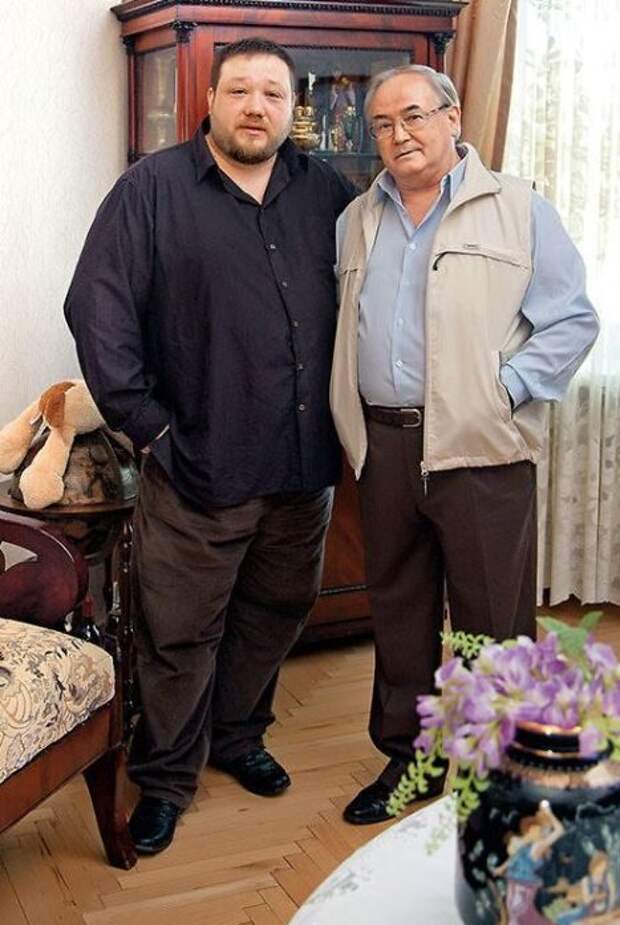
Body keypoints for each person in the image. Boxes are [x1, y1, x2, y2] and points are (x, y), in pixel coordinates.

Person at [65, 37, 355, 854]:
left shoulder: (328, 192)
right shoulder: (151, 190)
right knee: (179, 632)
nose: (256, 107)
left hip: (302, 464)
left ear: (292, 107)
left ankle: (237, 735)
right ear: (211, 101)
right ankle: (164, 778)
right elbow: (97, 310)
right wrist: (152, 428)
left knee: (274, 611)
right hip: (199, 463)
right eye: (240, 91)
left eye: (272, 93)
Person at [330, 64, 600, 825]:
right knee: (399, 615)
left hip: (482, 450)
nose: (398, 134)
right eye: (382, 124)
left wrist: (502, 390)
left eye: (414, 115)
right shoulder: (356, 219)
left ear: (452, 117)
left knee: (493, 623)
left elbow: (572, 320)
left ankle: (502, 776)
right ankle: (411, 762)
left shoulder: (519, 207)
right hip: (384, 446)